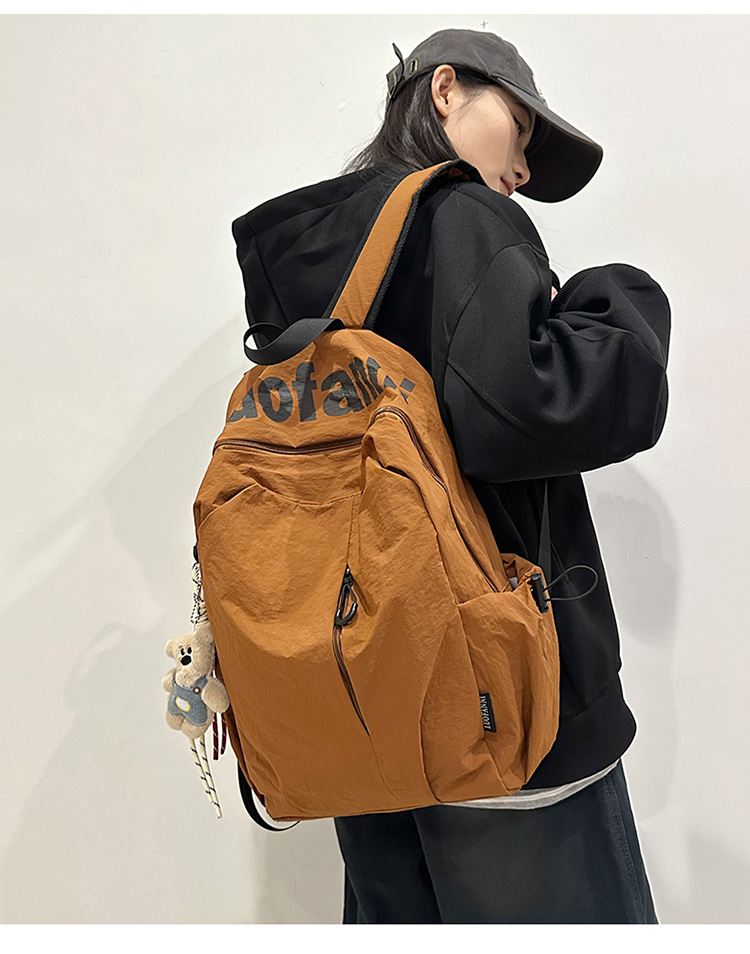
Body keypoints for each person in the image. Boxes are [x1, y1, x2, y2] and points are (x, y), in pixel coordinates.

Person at [230, 28, 669, 923]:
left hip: (354, 709)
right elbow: (525, 410)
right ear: (444, 91)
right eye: (521, 127)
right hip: (497, 710)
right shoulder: (460, 215)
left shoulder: (311, 259)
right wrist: (619, 301)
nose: (524, 167)